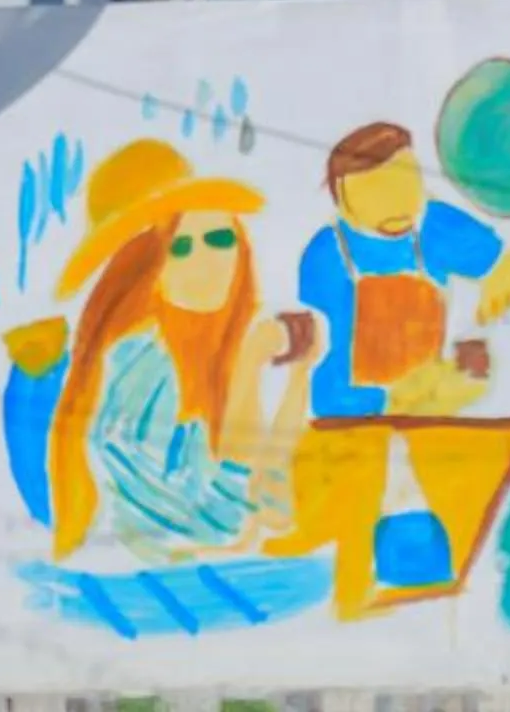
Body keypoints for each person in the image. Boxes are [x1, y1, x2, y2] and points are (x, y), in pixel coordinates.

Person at [46, 138, 314, 563]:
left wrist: (299, 374)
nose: (206, 260)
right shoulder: (137, 365)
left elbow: (276, 506)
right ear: (145, 268)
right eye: (181, 247)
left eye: (220, 238)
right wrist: (250, 365)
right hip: (150, 580)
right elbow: (219, 523)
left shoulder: (212, 352)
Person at [296, 122, 510, 422]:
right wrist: (395, 398)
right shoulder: (326, 253)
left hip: (428, 413)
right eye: (379, 191)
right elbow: (313, 357)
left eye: (407, 183)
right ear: (343, 199)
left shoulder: (435, 225)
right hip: (348, 413)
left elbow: (509, 263)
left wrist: (502, 286)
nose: (398, 203)